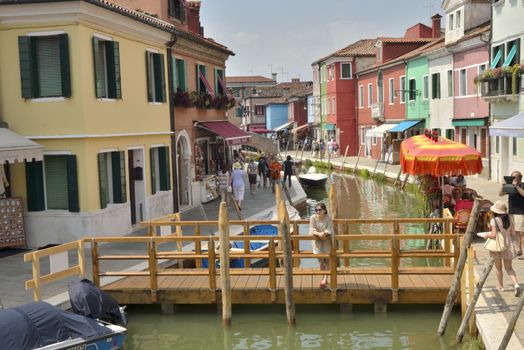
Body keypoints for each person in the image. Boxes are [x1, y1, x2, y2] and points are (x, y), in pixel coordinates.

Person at [484, 200, 520, 295]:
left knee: (498, 268)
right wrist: (517, 246)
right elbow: (513, 234)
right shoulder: (510, 219)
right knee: (509, 268)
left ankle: (500, 286)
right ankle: (516, 284)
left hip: (498, 246)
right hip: (508, 245)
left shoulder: (494, 220)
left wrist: (486, 235)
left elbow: (493, 234)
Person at [309, 202, 334, 289]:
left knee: (327, 261)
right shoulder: (313, 218)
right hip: (317, 242)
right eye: (316, 210)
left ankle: (324, 279)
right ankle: (323, 278)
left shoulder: (328, 218)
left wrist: (325, 233)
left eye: (320, 210)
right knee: (320, 262)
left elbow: (330, 228)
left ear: (324, 210)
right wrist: (318, 233)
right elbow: (312, 229)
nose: (318, 211)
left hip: (326, 241)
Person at [499, 170, 524, 256]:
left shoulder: (522, 185)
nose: (513, 178)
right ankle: (519, 250)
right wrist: (503, 186)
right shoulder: (509, 186)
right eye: (511, 177)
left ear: (520, 178)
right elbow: (500, 194)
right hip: (511, 211)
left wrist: (517, 186)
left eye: (514, 177)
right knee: (515, 232)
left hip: (521, 212)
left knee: (522, 233)